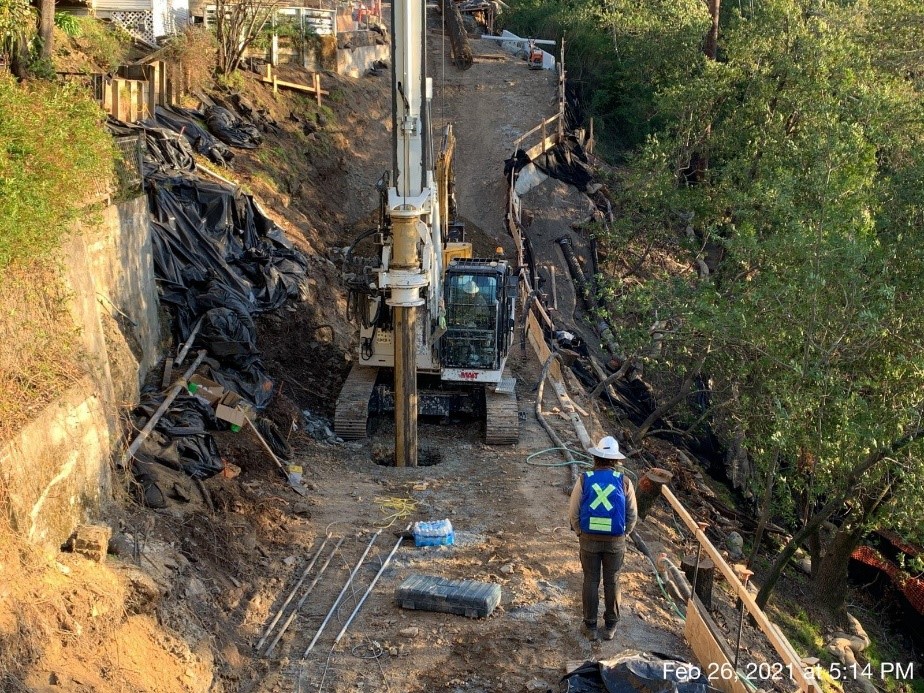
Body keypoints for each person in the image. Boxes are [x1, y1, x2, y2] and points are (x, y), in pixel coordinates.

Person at [568, 435, 637, 641]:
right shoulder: (624, 481)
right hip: (615, 540)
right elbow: (632, 514)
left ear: (596, 457)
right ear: (615, 461)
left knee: (590, 580)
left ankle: (589, 627)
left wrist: (579, 531)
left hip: (588, 538)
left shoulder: (584, 478)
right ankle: (610, 627)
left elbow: (574, 511)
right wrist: (624, 534)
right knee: (612, 581)